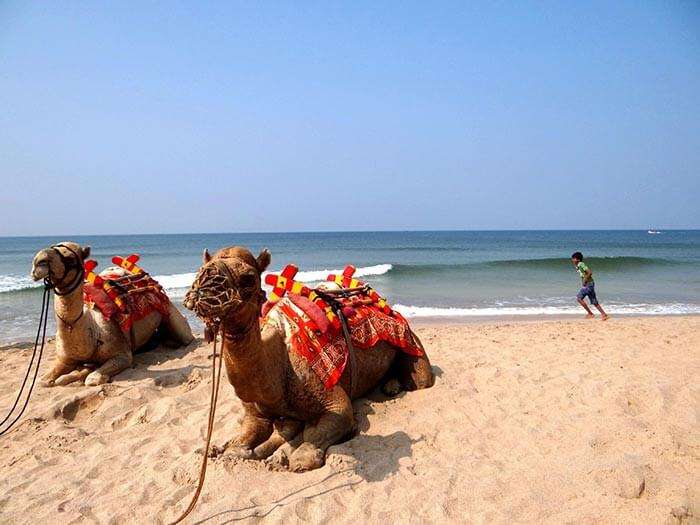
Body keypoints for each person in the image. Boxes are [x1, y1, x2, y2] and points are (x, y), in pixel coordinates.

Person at [571, 252, 609, 320]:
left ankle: (590, 313)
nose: (572, 260)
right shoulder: (578, 265)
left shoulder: (581, 264)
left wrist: (585, 280)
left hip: (588, 284)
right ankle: (604, 314)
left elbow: (590, 272)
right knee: (594, 301)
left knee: (579, 298)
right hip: (590, 283)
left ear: (578, 259)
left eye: (574, 258)